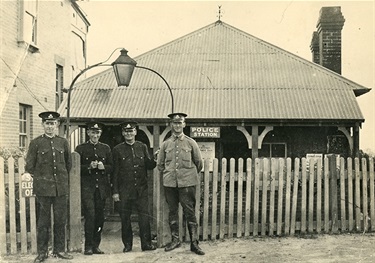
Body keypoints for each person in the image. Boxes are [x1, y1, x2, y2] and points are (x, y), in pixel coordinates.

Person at [25, 111, 73, 262]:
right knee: (43, 222)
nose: (50, 127)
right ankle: (42, 253)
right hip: (43, 189)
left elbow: (68, 164)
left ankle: (59, 250)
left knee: (60, 220)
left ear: (57, 125)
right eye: (47, 123)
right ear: (43, 125)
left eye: (52, 124)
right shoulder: (36, 143)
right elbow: (30, 166)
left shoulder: (63, 142)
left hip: (60, 189)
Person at [157, 113, 205, 255]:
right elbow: (160, 165)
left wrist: (186, 175)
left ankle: (194, 243)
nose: (177, 125)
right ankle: (175, 240)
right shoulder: (165, 144)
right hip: (170, 184)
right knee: (172, 211)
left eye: (180, 123)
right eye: (174, 123)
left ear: (184, 124)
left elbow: (199, 164)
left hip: (187, 184)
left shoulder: (191, 143)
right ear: (171, 125)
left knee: (189, 212)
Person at [112, 121, 157, 253]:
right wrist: (115, 192)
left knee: (144, 217)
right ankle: (127, 245)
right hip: (124, 191)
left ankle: (146, 244)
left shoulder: (142, 147)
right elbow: (115, 173)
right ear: (122, 133)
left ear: (135, 132)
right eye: (126, 131)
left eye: (131, 131)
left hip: (141, 190)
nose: (129, 134)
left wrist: (154, 159)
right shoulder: (117, 150)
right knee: (125, 218)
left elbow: (149, 165)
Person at [75, 122, 112, 255]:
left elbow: (112, 167)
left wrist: (104, 168)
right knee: (90, 216)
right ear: (88, 133)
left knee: (99, 217)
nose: (95, 135)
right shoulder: (80, 148)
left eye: (97, 132)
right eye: (92, 132)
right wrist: (88, 167)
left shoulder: (106, 148)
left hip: (101, 189)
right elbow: (75, 168)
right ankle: (88, 246)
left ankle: (96, 245)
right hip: (87, 188)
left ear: (100, 133)